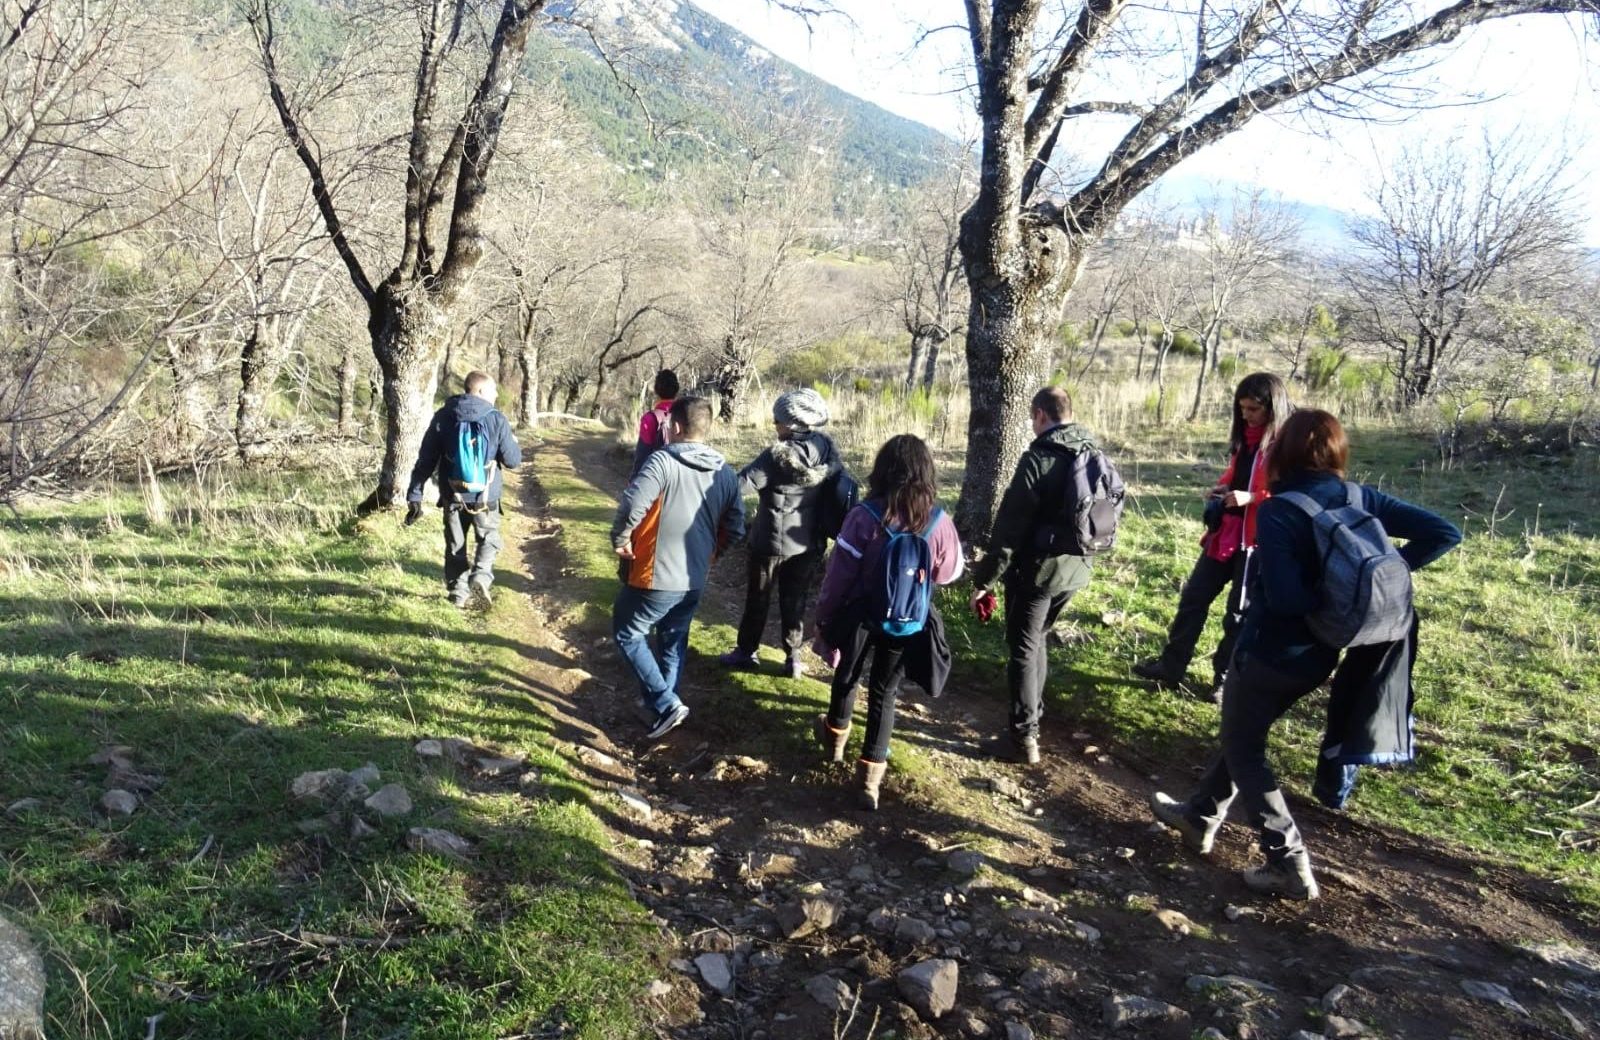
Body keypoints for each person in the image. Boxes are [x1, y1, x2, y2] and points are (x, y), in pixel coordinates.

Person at [1149, 409, 1460, 900]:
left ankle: (1288, 861)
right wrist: (1377, 575)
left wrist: (1341, 586)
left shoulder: (1280, 510)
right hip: (1322, 656)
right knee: (1241, 733)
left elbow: (1289, 599)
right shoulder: (1361, 497)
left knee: (1245, 748)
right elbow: (1444, 532)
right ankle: (1199, 816)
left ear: (1282, 453)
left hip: (1268, 652)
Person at [812, 434, 962, 810]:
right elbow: (948, 573)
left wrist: (824, 620)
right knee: (885, 693)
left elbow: (838, 577)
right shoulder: (938, 520)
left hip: (862, 616)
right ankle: (869, 781)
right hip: (909, 620)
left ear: (882, 469)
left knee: (848, 676)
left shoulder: (865, 515)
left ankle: (834, 741)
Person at [969, 386, 1110, 765]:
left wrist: (984, 580)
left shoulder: (1039, 458)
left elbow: (1009, 529)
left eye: (1033, 418)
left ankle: (1022, 738)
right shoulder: (1091, 450)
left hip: (1037, 572)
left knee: (1023, 649)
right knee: (1038, 640)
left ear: (1040, 415)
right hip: (1077, 568)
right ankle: (1032, 719)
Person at [1134, 372, 1291, 702]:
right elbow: (1236, 472)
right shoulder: (1246, 438)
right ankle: (1170, 666)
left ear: (1272, 407)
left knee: (1238, 614)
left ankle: (1223, 680)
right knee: (1193, 598)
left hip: (1256, 541)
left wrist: (1253, 498)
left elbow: (1291, 493)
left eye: (1253, 409)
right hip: (1226, 532)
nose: (1246, 415)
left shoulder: (1287, 444)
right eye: (1242, 408)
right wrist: (1223, 486)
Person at [611, 396, 746, 741]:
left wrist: (620, 537)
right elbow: (736, 526)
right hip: (694, 578)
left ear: (674, 427)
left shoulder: (662, 462)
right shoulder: (726, 473)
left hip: (654, 574)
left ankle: (665, 703)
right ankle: (663, 707)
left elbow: (632, 503)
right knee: (672, 639)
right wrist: (712, 555)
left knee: (628, 631)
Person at [718, 388, 847, 678]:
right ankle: (793, 658)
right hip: (810, 542)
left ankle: (747, 651)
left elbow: (740, 486)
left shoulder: (776, 456)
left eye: (777, 418)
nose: (774, 423)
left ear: (791, 422)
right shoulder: (827, 451)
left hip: (770, 543)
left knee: (758, 598)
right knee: (795, 600)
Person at [404, 371, 522, 608]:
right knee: (489, 538)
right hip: (486, 497)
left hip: (452, 494)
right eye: (492, 390)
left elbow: (426, 459)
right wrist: (513, 444)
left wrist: (415, 494)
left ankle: (458, 594)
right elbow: (513, 461)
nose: (497, 394)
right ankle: (480, 577)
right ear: (479, 391)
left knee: (455, 545)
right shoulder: (496, 419)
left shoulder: (443, 416)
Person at [632, 368, 680, 475]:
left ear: (656, 390)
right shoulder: (684, 416)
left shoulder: (649, 418)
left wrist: (633, 481)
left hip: (656, 478)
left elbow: (642, 455)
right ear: (676, 390)